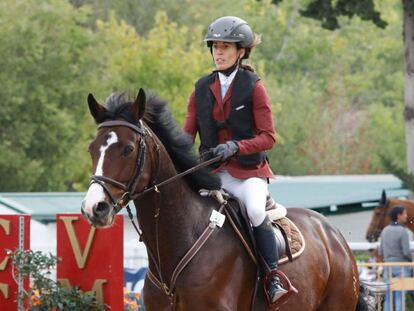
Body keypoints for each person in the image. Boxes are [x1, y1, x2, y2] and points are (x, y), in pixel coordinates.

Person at [183, 16, 290, 303]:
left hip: (248, 172)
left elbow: (268, 137)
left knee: (255, 211)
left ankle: (271, 278)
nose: (218, 52)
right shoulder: (201, 89)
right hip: (212, 173)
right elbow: (186, 136)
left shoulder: (253, 87)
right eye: (215, 46)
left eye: (225, 47)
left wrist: (236, 147)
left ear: (241, 52)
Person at [379, 206, 413, 311]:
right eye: (404, 214)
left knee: (389, 296)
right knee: (400, 296)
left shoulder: (384, 230)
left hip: (388, 267)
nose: (406, 216)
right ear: (399, 216)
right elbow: (406, 252)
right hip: (401, 267)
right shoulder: (403, 231)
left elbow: (381, 251)